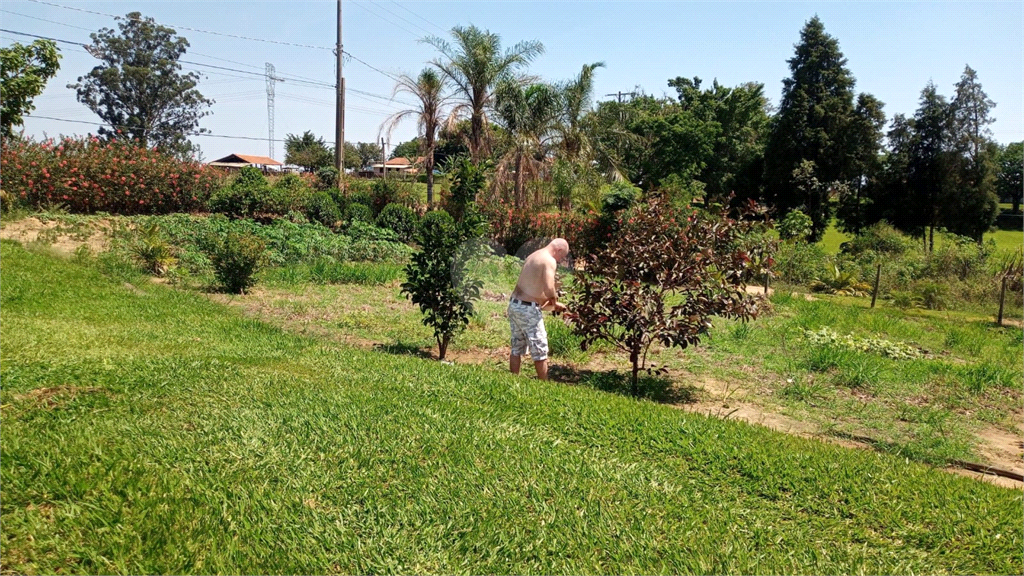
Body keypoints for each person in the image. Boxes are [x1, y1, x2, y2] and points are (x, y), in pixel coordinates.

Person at [507, 238, 570, 380]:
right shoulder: (549, 260)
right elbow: (549, 288)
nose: (560, 260)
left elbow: (532, 287)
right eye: (562, 256)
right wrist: (555, 302)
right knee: (540, 348)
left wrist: (550, 303)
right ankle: (544, 384)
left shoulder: (534, 255)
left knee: (516, 347)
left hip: (515, 305)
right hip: (528, 310)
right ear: (558, 250)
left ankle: (512, 380)